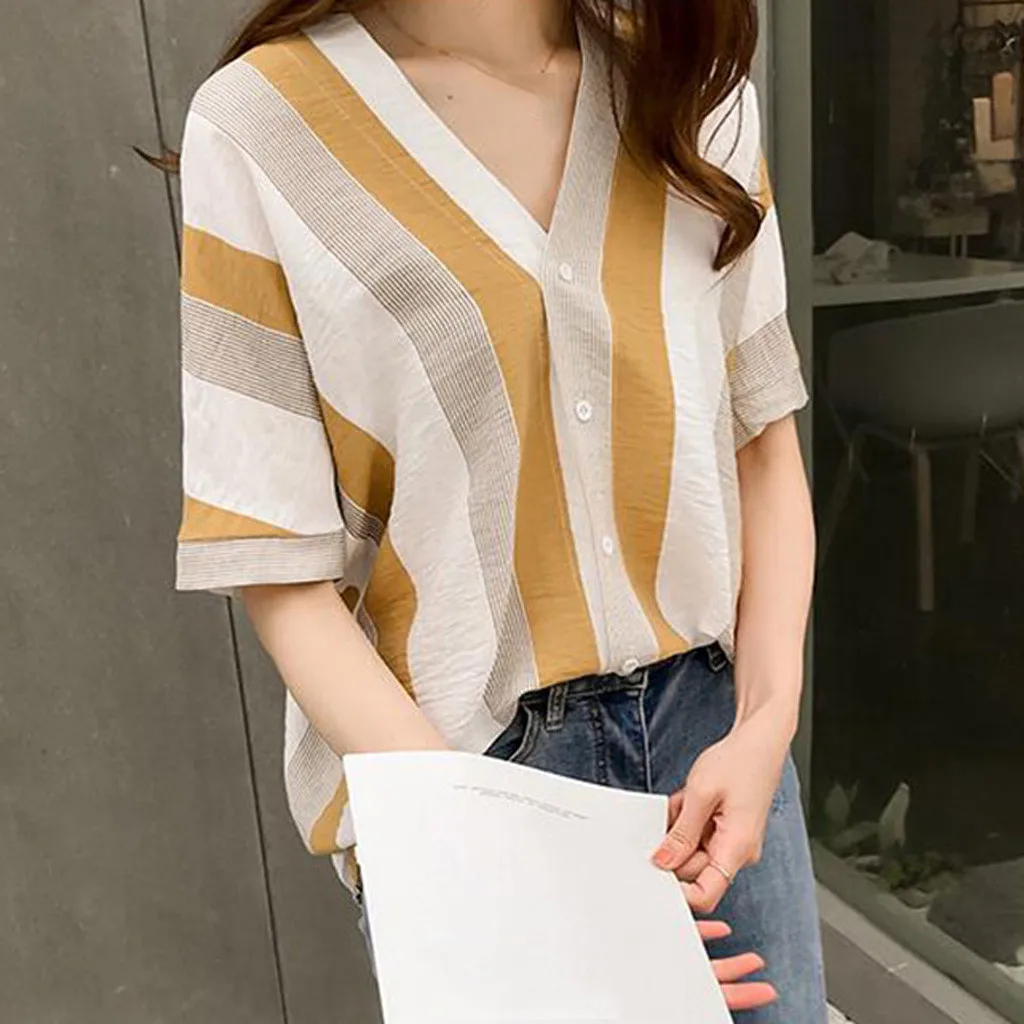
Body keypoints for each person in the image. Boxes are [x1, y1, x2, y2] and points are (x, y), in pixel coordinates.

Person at [173, 0, 823, 1018]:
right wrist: (493, 848)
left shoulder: (691, 86)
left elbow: (762, 445)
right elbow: (278, 569)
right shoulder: (261, 128)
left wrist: (765, 723)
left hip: (716, 761)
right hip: (463, 774)